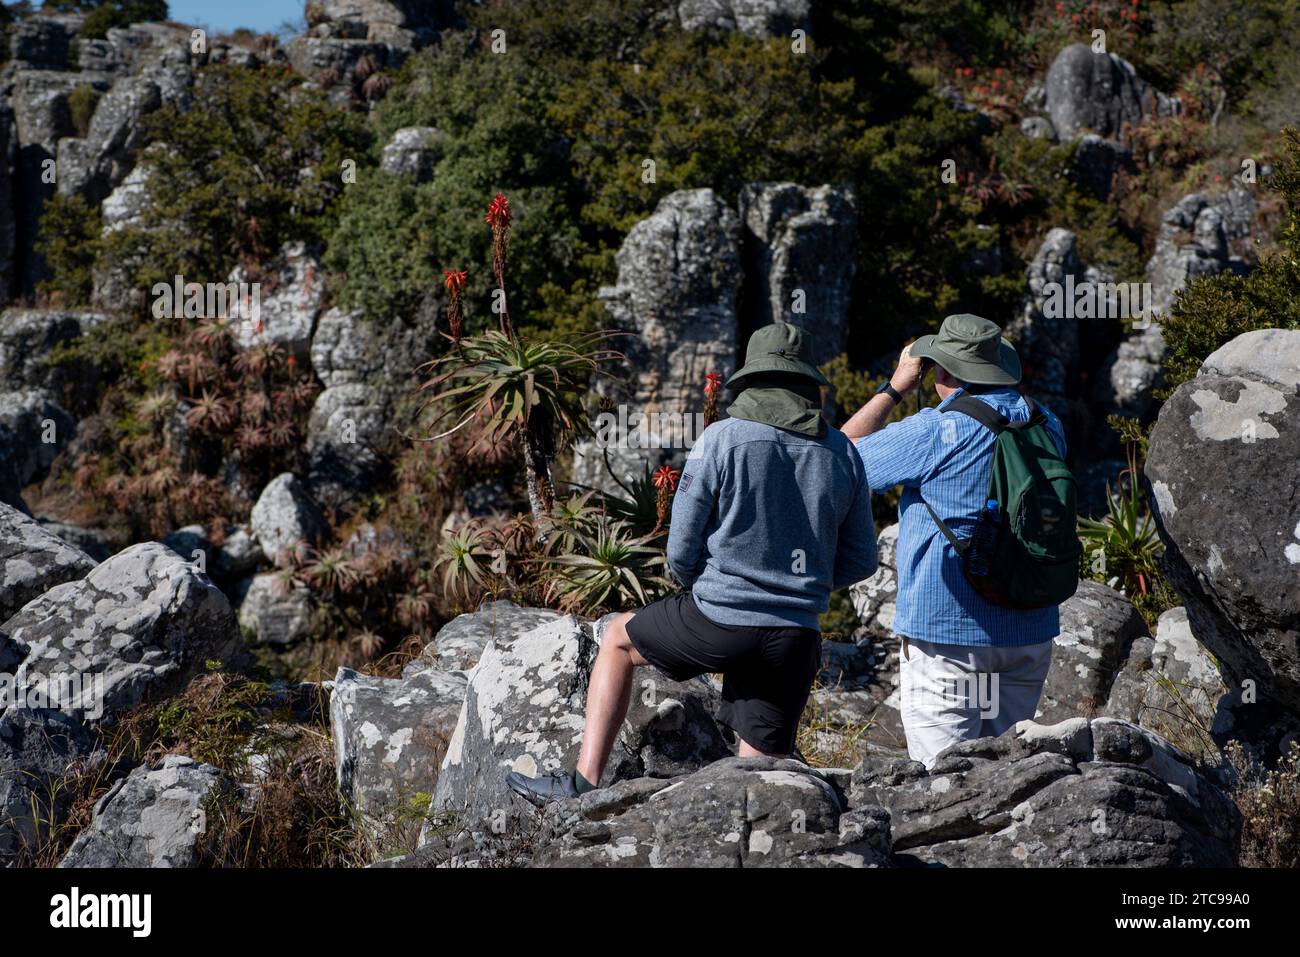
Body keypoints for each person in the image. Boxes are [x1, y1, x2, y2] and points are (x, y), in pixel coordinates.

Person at [506, 321, 879, 805]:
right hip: (795, 635)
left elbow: (681, 546)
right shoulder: (842, 452)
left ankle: (582, 786)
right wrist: (804, 586)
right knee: (758, 780)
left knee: (618, 639)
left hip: (719, 619)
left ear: (752, 379)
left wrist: (707, 586)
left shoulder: (722, 439)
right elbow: (862, 560)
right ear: (810, 385)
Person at [841, 313, 1066, 769]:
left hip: (949, 637)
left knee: (943, 785)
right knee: (1009, 778)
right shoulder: (1048, 424)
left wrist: (895, 388)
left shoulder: (935, 430)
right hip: (1029, 631)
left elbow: (838, 460)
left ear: (941, 371)